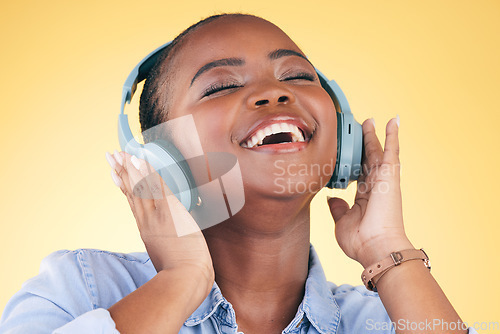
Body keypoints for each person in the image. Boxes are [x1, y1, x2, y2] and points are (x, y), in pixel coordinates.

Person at [0, 13, 475, 334]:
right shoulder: (79, 291)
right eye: (221, 86)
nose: (274, 93)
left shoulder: (390, 318)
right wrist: (181, 279)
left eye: (297, 77)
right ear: (161, 159)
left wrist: (388, 250)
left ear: (343, 139)